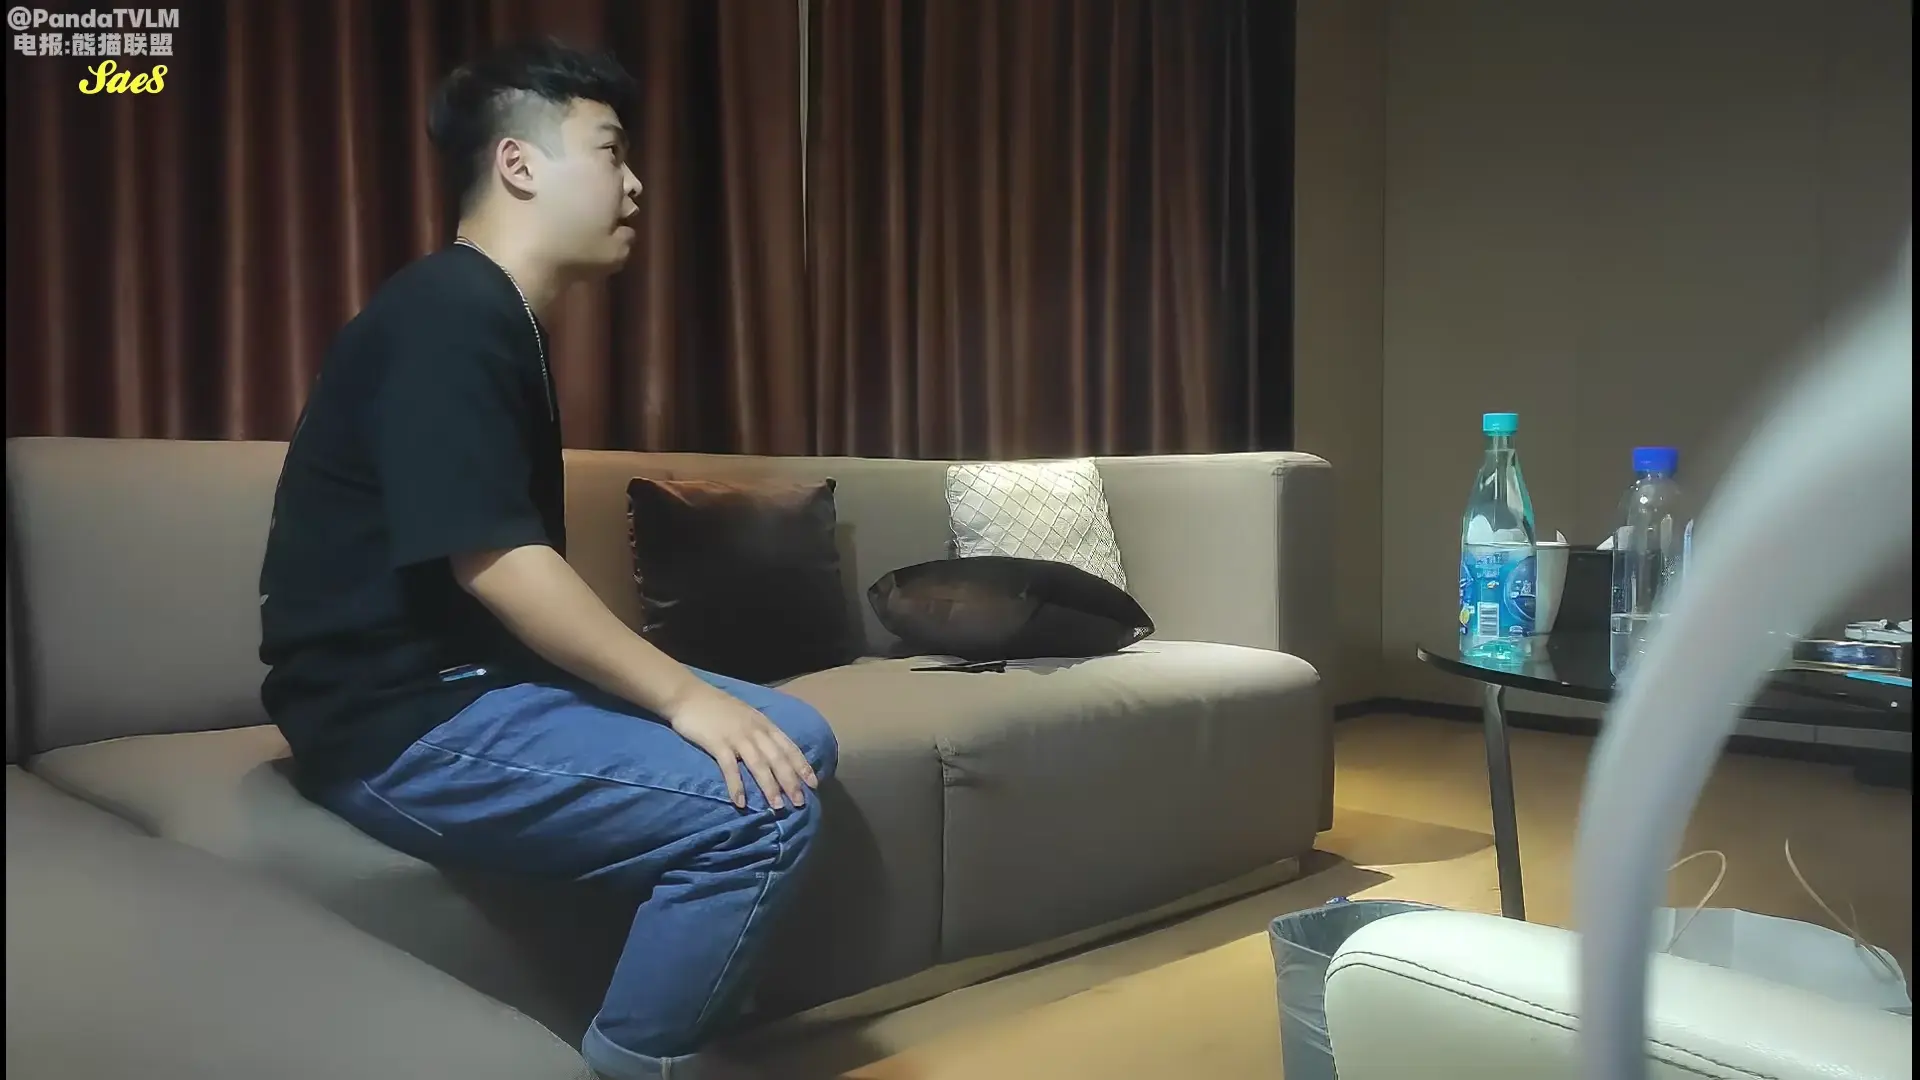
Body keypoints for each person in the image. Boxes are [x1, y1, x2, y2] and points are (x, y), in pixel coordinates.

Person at [255, 37, 838, 1080]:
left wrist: (695, 704)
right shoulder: (450, 313)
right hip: (395, 722)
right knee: (765, 809)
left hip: (476, 683)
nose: (636, 183)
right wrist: (683, 698)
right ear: (519, 165)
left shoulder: (493, 314)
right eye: (611, 151)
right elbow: (499, 563)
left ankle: (667, 954)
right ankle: (634, 1061)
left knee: (798, 736)